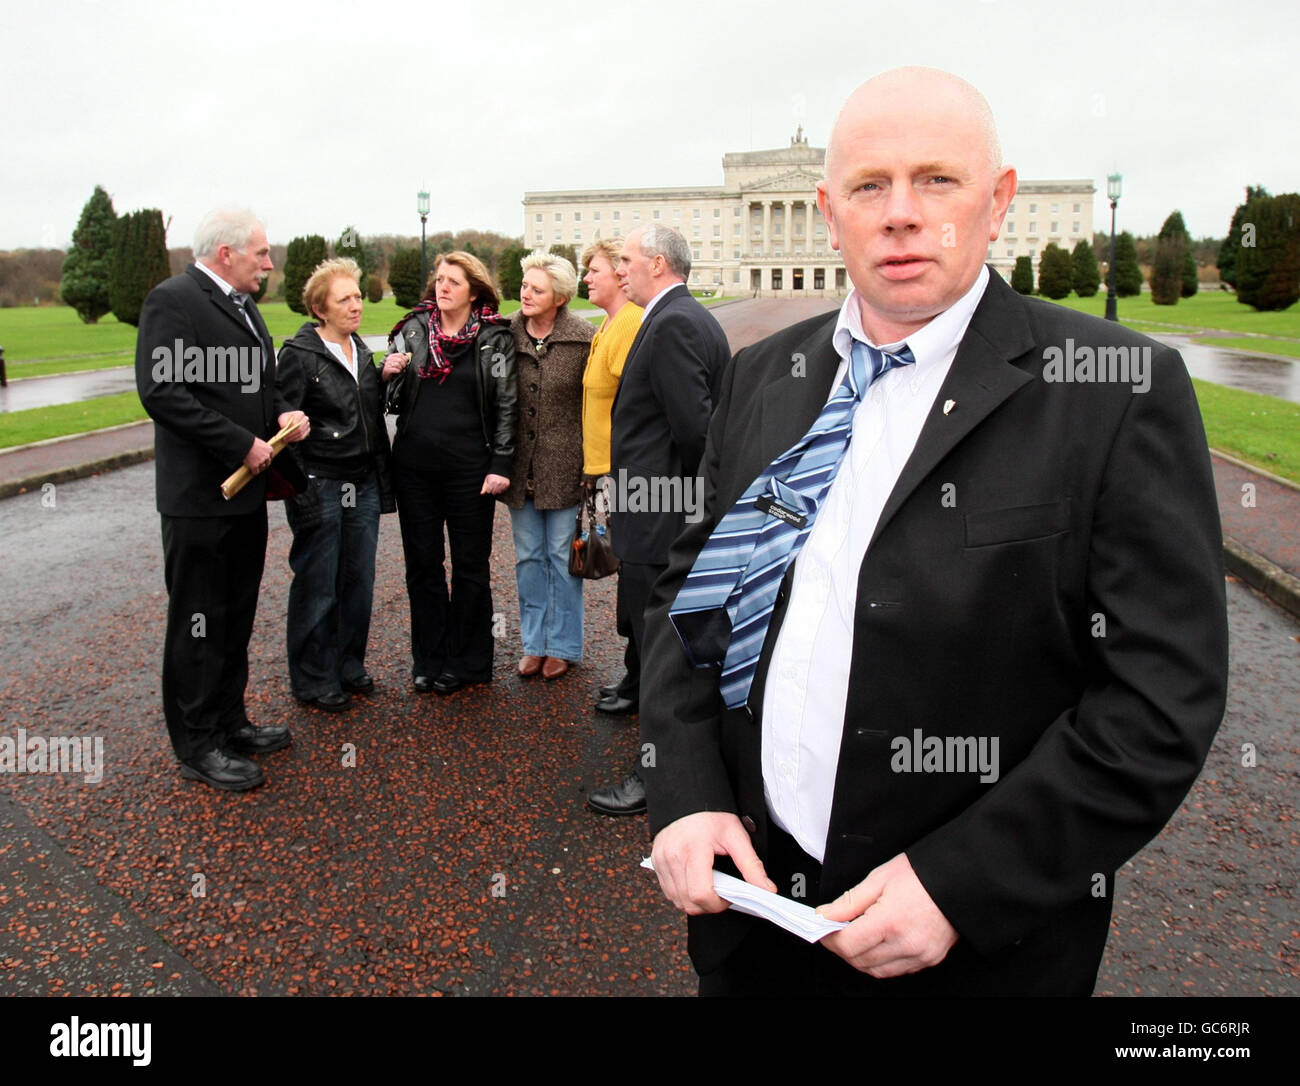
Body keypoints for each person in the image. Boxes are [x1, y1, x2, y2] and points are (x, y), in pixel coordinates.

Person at [642, 67, 1229, 996]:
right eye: (870, 186)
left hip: (969, 951)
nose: (901, 213)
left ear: (998, 202)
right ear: (830, 213)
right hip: (752, 916)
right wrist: (684, 792)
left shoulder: (1115, 388)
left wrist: (961, 885)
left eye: (936, 179)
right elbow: (690, 600)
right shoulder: (762, 376)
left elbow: (1158, 704)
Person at [135, 207, 309, 791]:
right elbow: (163, 393)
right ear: (227, 253)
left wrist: (282, 409)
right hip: (198, 499)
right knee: (199, 622)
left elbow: (261, 383)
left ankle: (230, 723)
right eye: (261, 252)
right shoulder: (173, 300)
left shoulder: (244, 305)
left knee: (234, 615)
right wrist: (240, 443)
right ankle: (197, 744)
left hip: (245, 496)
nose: (269, 262)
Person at [585, 225, 730, 816]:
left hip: (662, 512)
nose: (619, 270)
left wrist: (694, 511)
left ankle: (659, 777)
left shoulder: (672, 324)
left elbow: (695, 430)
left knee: (661, 650)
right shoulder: (682, 317)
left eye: (627, 260)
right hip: (662, 507)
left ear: (660, 264)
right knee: (660, 645)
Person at [383, 252, 517, 695]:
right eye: (439, 279)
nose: (442, 288)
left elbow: (506, 405)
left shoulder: (495, 338)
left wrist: (501, 462)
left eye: (453, 282)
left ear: (473, 290)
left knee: (470, 567)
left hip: (470, 470)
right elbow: (391, 397)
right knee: (422, 565)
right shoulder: (413, 330)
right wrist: (387, 374)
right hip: (415, 468)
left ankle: (470, 661)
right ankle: (430, 658)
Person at [277, 258, 394, 712]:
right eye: (345, 299)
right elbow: (282, 415)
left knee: (357, 580)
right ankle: (312, 678)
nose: (356, 305)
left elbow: (362, 413)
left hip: (361, 482)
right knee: (317, 583)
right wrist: (300, 488)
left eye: (359, 296)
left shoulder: (360, 350)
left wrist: (382, 378)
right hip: (320, 482)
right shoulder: (300, 354)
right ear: (320, 308)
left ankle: (347, 665)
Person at [500, 251, 593, 682]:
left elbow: (594, 406)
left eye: (537, 290)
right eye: (524, 287)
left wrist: (593, 467)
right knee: (528, 558)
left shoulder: (584, 338)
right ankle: (533, 644)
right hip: (519, 467)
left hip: (566, 465)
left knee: (561, 557)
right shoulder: (504, 335)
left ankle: (563, 646)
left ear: (559, 296)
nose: (526, 295)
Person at [579, 239, 644, 714]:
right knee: (627, 580)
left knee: (634, 579)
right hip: (602, 469)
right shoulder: (607, 324)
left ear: (619, 278)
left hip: (619, 473)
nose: (587, 277)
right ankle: (633, 674)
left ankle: (640, 680)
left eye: (594, 269)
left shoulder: (628, 324)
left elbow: (633, 406)